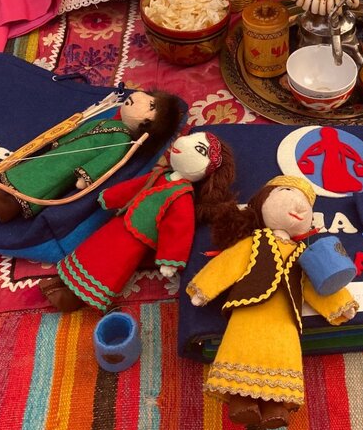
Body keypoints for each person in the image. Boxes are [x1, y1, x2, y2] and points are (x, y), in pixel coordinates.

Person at [187, 176, 358, 430]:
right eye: (288, 192)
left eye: (306, 203)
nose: (299, 206)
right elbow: (228, 264)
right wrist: (204, 288)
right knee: (241, 347)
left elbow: (316, 284)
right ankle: (241, 401)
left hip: (285, 318)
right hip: (247, 310)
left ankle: (275, 406)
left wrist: (340, 304)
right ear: (263, 201)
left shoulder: (304, 254)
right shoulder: (254, 242)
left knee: (282, 356)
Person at [40, 132, 237, 312]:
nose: (184, 142)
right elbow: (133, 187)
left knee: (108, 267)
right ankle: (62, 281)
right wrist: (110, 197)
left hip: (135, 241)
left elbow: (178, 229)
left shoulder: (182, 197)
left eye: (199, 149)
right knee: (91, 251)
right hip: (120, 223)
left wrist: (170, 259)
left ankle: (73, 298)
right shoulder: (161, 175)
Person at [0, 89, 181, 221]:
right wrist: (59, 141)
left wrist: (87, 176)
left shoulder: (122, 140)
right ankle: (0, 187)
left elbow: (108, 160)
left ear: (147, 123)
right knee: (33, 167)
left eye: (151, 106)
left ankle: (8, 207)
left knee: (45, 181)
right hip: (61, 152)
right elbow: (82, 130)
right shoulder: (111, 122)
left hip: (69, 165)